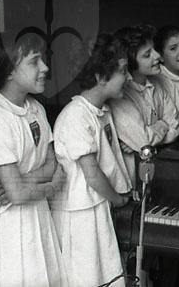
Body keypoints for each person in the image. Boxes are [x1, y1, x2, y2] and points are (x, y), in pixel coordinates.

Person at [0, 32, 68, 287]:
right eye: (34, 61)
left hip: (37, 215)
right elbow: (18, 195)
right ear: (9, 71)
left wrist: (22, 182)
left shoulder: (35, 108)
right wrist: (51, 186)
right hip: (10, 226)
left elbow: (52, 164)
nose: (45, 68)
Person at [50, 33, 133, 287]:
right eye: (123, 71)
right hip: (79, 216)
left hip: (96, 208)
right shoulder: (76, 116)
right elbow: (92, 174)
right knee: (85, 278)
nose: (129, 78)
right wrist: (118, 199)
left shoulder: (101, 111)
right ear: (100, 77)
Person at [110, 26, 179, 182]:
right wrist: (163, 124)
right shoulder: (121, 94)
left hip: (158, 168)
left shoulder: (159, 82)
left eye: (154, 50)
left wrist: (148, 138)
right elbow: (144, 141)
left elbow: (176, 127)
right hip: (131, 177)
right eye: (147, 55)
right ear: (130, 63)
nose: (158, 56)